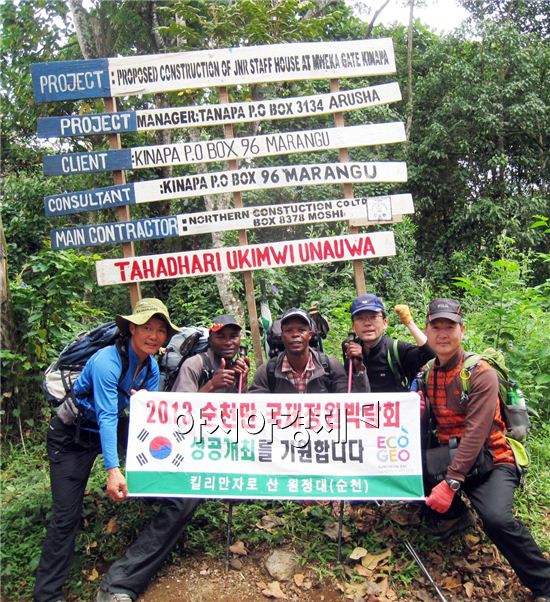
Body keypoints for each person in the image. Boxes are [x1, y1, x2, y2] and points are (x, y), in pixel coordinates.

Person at [34, 299, 199, 602]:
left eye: (161, 330)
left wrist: (143, 404)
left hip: (107, 429)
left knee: (176, 490)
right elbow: (108, 414)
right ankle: (47, 594)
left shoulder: (149, 366)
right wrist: (113, 470)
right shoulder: (106, 361)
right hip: (72, 436)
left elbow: (145, 416)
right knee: (65, 516)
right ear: (132, 328)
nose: (154, 336)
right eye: (147, 328)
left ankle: (152, 496)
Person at [422, 298, 550, 601]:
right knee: (411, 469)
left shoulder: (479, 373)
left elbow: (477, 432)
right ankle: (457, 517)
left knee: (497, 520)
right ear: (426, 331)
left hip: (493, 459)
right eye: (436, 327)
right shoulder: (428, 372)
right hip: (451, 455)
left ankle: (544, 584)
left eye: (449, 327)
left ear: (461, 330)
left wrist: (451, 483)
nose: (443, 334)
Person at [344, 293, 434, 393]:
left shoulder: (396, 349)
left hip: (393, 407)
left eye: (373, 317)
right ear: (353, 326)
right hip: (362, 407)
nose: (367, 323)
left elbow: (431, 357)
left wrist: (409, 322)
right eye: (360, 318)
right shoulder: (350, 348)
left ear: (385, 323)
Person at [249, 307, 353, 393]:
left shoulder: (331, 366)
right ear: (282, 336)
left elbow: (349, 404)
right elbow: (252, 408)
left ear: (310, 335)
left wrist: (359, 371)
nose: (295, 335)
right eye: (289, 330)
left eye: (301, 330)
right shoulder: (267, 371)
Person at [171, 314, 249, 393]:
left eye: (233, 336)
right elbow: (182, 403)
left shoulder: (236, 368)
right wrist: (211, 385)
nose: (228, 342)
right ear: (210, 340)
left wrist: (242, 383)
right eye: (221, 337)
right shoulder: (193, 365)